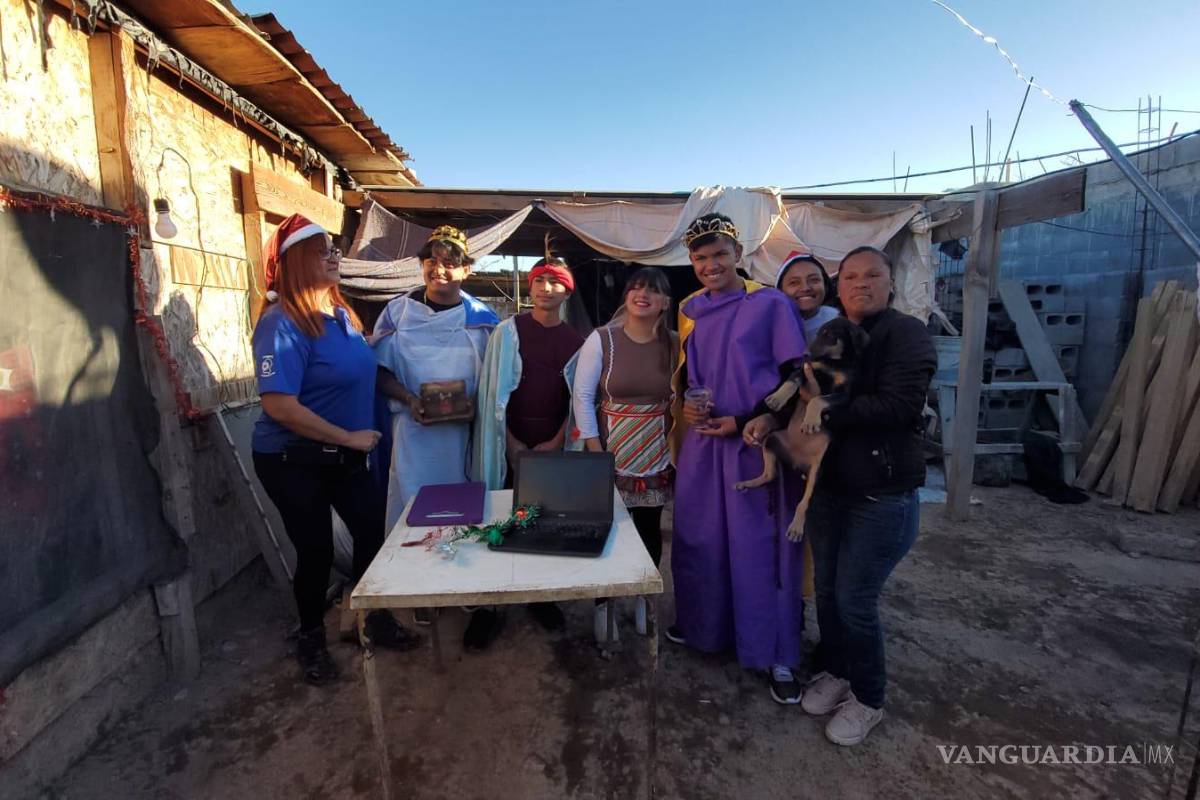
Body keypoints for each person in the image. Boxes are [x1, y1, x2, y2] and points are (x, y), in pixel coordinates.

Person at [251, 214, 420, 686]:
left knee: (373, 533)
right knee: (316, 550)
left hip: (343, 456)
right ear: (296, 261)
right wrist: (348, 438)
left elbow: (351, 368)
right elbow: (280, 405)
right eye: (322, 249)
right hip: (292, 460)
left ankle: (373, 617)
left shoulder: (342, 315)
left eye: (334, 248)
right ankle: (308, 637)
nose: (334, 256)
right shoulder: (280, 324)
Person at [792, 245, 935, 745]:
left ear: (890, 282)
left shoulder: (906, 335)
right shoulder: (831, 336)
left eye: (872, 275)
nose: (860, 284)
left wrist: (825, 407)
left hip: (882, 493)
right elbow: (800, 388)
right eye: (850, 276)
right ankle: (837, 670)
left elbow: (897, 406)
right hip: (830, 488)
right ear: (839, 286)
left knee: (855, 599)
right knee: (828, 592)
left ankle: (869, 698)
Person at [670, 212, 810, 704]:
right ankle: (706, 628)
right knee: (702, 537)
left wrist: (754, 417)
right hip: (705, 446)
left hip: (755, 445)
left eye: (719, 255)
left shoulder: (769, 304)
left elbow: (798, 378)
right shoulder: (691, 312)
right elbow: (692, 378)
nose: (711, 265)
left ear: (738, 256)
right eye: (701, 258)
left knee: (761, 547)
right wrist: (688, 403)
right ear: (692, 263)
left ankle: (776, 653)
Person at [470, 246, 583, 645]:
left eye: (555, 282)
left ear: (567, 292)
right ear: (530, 286)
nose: (545, 288)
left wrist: (554, 443)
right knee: (497, 521)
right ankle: (488, 605)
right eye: (539, 280)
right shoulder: (507, 332)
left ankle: (540, 596)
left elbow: (575, 401)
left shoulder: (575, 341)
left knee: (542, 522)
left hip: (552, 443)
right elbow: (493, 394)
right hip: (507, 441)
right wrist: (509, 444)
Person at [571, 267, 676, 643]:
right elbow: (582, 398)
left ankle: (644, 600)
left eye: (653, 289)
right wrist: (598, 455)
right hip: (610, 450)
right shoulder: (603, 340)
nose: (642, 294)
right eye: (636, 287)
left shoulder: (675, 343)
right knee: (608, 531)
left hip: (657, 454)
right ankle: (604, 606)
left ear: (665, 302)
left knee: (649, 530)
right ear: (626, 297)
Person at [372, 225, 499, 534]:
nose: (438, 269)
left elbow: (497, 380)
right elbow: (378, 370)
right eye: (431, 261)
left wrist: (475, 403)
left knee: (460, 516)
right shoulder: (396, 314)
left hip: (463, 440)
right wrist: (408, 398)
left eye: (450, 263)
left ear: (466, 270)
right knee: (410, 514)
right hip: (413, 437)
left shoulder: (483, 320)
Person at [775, 251, 840, 342]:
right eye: (794, 282)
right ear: (780, 291)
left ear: (825, 286)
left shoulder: (838, 323)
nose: (805, 288)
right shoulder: (768, 327)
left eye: (814, 280)